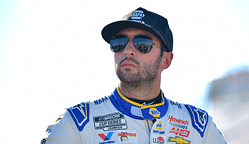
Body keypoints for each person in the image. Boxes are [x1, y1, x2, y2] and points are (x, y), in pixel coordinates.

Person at [41, 7, 226, 144]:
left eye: (142, 44)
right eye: (119, 43)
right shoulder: (77, 123)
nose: (128, 51)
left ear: (166, 60)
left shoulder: (199, 127)